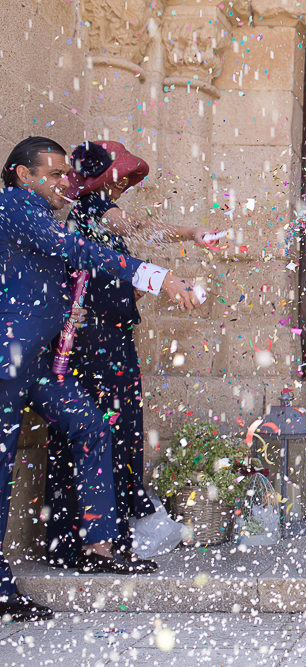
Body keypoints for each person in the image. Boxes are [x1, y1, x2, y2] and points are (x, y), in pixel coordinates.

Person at [0, 136, 202, 620]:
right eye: (49, 174)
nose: (60, 181)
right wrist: (154, 276)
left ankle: (100, 546)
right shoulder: (14, 204)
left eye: (63, 173)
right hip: (8, 361)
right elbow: (72, 248)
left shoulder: (53, 213)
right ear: (22, 175)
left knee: (91, 426)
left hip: (42, 367)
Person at [43, 140, 223, 570]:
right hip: (98, 345)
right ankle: (102, 543)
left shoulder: (87, 218)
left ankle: (82, 541)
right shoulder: (94, 211)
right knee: (114, 432)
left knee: (103, 435)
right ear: (98, 178)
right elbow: (142, 227)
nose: (124, 183)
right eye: (117, 175)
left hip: (101, 341)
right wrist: (191, 234)